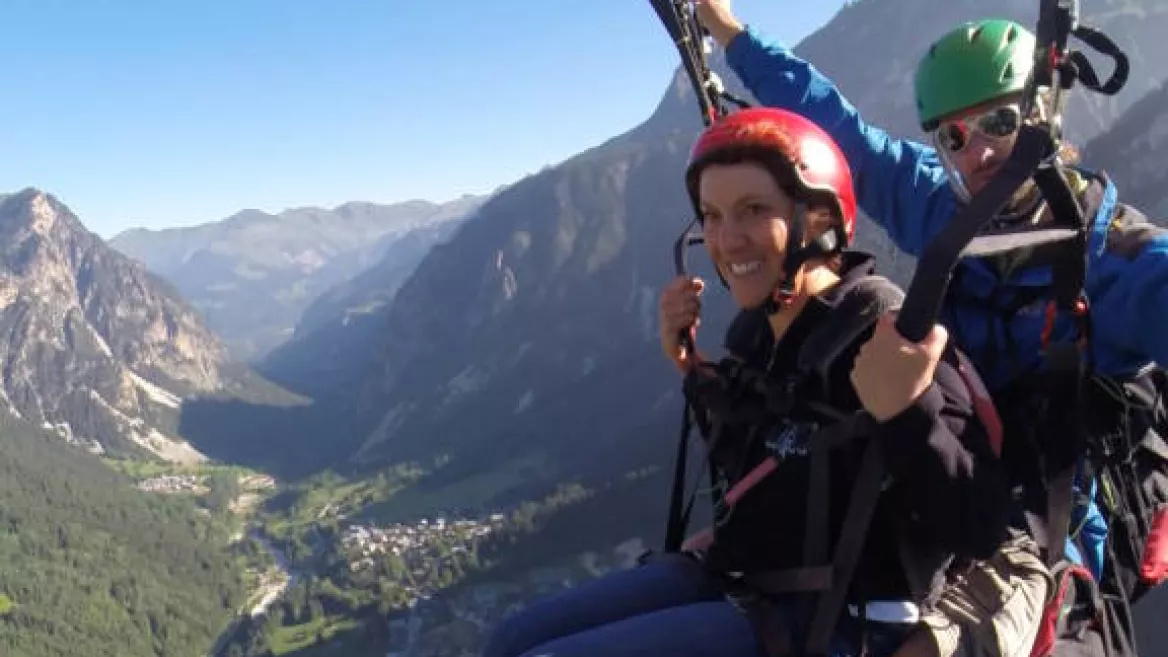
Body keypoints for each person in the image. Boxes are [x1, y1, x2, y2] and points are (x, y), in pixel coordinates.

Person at [674, 1, 1168, 654]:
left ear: (1043, 114)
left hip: (1051, 529)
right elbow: (835, 128)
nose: (981, 151)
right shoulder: (944, 208)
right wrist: (728, 31)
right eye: (955, 138)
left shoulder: (1117, 264)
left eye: (998, 121)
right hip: (944, 477)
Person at [482, 107, 1010, 657]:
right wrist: (692, 367)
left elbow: (982, 527)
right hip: (752, 578)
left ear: (819, 221)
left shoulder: (883, 334)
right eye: (710, 216)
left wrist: (907, 414)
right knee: (509, 639)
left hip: (841, 616)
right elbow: (765, 457)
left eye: (753, 210)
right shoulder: (760, 335)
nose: (726, 240)